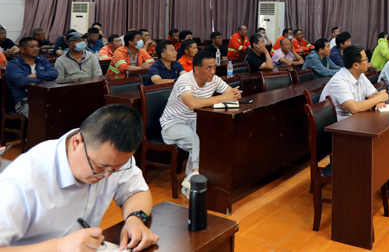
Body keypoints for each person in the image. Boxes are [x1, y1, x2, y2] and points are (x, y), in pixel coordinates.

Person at [0, 105, 160, 250]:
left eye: (118, 167)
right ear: (77, 142)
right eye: (100, 167)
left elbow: (137, 192)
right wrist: (59, 247)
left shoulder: (112, 159)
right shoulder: (22, 182)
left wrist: (135, 219)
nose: (108, 175)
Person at [320, 45, 389, 202]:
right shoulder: (340, 81)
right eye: (366, 59)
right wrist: (377, 99)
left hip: (355, 125)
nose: (369, 62)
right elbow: (354, 107)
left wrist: (378, 99)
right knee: (385, 144)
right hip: (340, 135)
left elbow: (377, 94)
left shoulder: (360, 76)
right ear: (356, 64)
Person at [160, 50, 242, 197]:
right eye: (209, 68)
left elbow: (232, 94)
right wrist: (223, 97)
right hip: (173, 123)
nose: (213, 71)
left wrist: (235, 94)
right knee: (197, 139)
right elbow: (192, 104)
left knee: (214, 135)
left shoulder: (214, 79)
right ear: (197, 69)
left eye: (214, 67)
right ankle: (194, 181)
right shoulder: (184, 80)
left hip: (196, 120)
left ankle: (194, 177)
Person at [5, 37, 58, 118]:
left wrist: (36, 75)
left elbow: (54, 74)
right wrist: (43, 82)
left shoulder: (42, 60)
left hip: (47, 98)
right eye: (32, 47)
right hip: (25, 100)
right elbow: (22, 81)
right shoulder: (13, 65)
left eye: (37, 46)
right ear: (22, 49)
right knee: (42, 118)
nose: (36, 49)